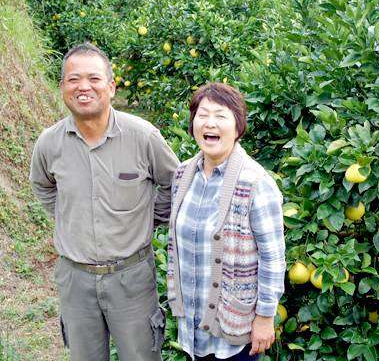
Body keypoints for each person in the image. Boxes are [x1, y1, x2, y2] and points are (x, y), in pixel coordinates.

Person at [30, 43, 179, 361]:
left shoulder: (143, 137)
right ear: (62, 88)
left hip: (132, 278)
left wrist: (148, 218)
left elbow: (174, 183)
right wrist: (69, 219)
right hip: (75, 279)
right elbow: (43, 187)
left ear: (111, 87)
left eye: (94, 78)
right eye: (73, 79)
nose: (83, 86)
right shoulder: (50, 143)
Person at [167, 82, 285, 361]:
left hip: (234, 330)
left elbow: (273, 258)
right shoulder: (183, 175)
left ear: (237, 126)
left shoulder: (256, 182)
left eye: (220, 116)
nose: (210, 123)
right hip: (192, 325)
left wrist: (265, 317)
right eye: (202, 115)